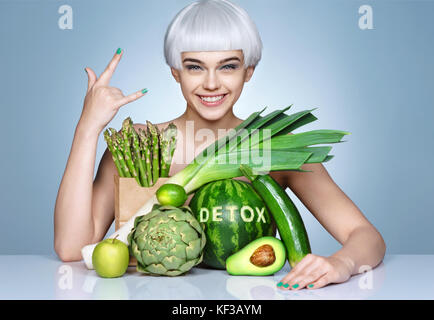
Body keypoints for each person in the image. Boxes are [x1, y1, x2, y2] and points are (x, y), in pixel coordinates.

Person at [54, 0, 385, 291]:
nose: (211, 83)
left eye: (228, 66)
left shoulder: (276, 147)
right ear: (175, 72)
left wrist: (342, 264)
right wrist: (88, 127)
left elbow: (366, 236)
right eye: (194, 66)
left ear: (248, 71)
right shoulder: (138, 144)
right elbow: (72, 248)